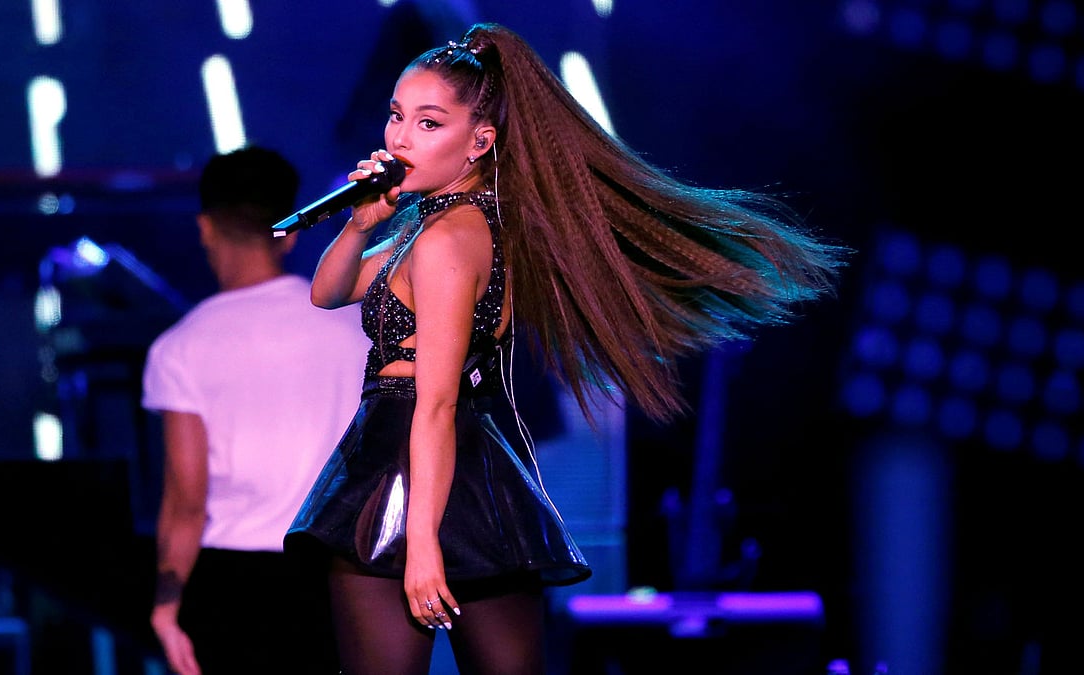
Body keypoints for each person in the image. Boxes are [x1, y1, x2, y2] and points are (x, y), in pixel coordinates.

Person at [284, 22, 851, 675]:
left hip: (412, 468)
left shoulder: (446, 240)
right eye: (396, 116)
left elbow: (436, 403)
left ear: (481, 140)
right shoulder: (431, 224)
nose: (400, 137)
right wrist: (359, 224)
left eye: (428, 122)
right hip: (460, 476)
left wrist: (421, 545)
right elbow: (327, 291)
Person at [141, 145, 368, 675]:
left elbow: (185, 502)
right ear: (290, 232)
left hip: (231, 584)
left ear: (205, 227)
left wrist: (166, 605)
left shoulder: (181, 347)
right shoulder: (354, 326)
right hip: (340, 574)